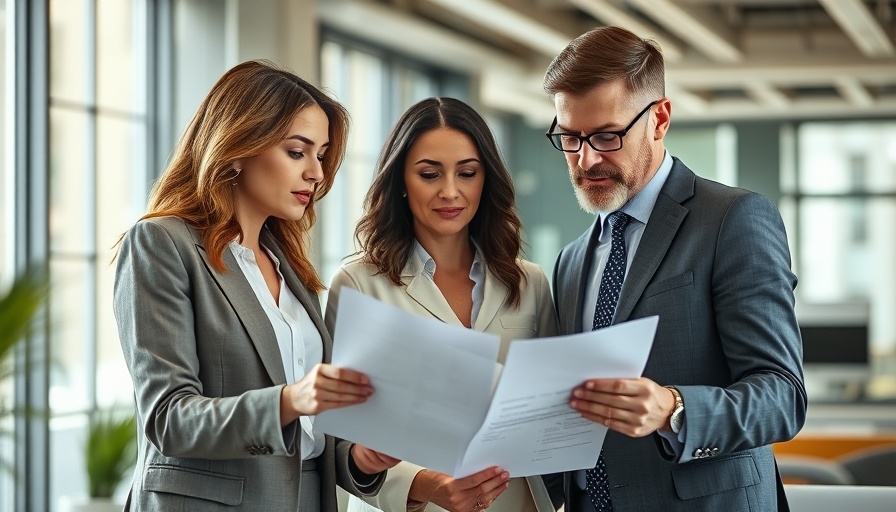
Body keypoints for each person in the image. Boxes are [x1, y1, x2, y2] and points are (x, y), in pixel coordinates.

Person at [113, 60, 399, 512]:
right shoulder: (162, 244)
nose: (316, 174)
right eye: (297, 151)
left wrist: (360, 459)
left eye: (321, 155)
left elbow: (307, 437)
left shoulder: (289, 267)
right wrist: (292, 399)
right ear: (238, 146)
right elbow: (168, 418)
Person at [541, 27, 807, 511]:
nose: (586, 159)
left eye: (606, 135)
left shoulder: (732, 219)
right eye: (570, 137)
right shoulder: (572, 261)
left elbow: (782, 396)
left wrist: (674, 409)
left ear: (659, 119)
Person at [325, 97, 558, 512]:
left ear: (485, 180)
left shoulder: (530, 283)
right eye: (429, 174)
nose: (450, 191)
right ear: (400, 180)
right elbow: (338, 442)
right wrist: (425, 484)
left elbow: (553, 416)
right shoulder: (359, 286)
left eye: (467, 173)